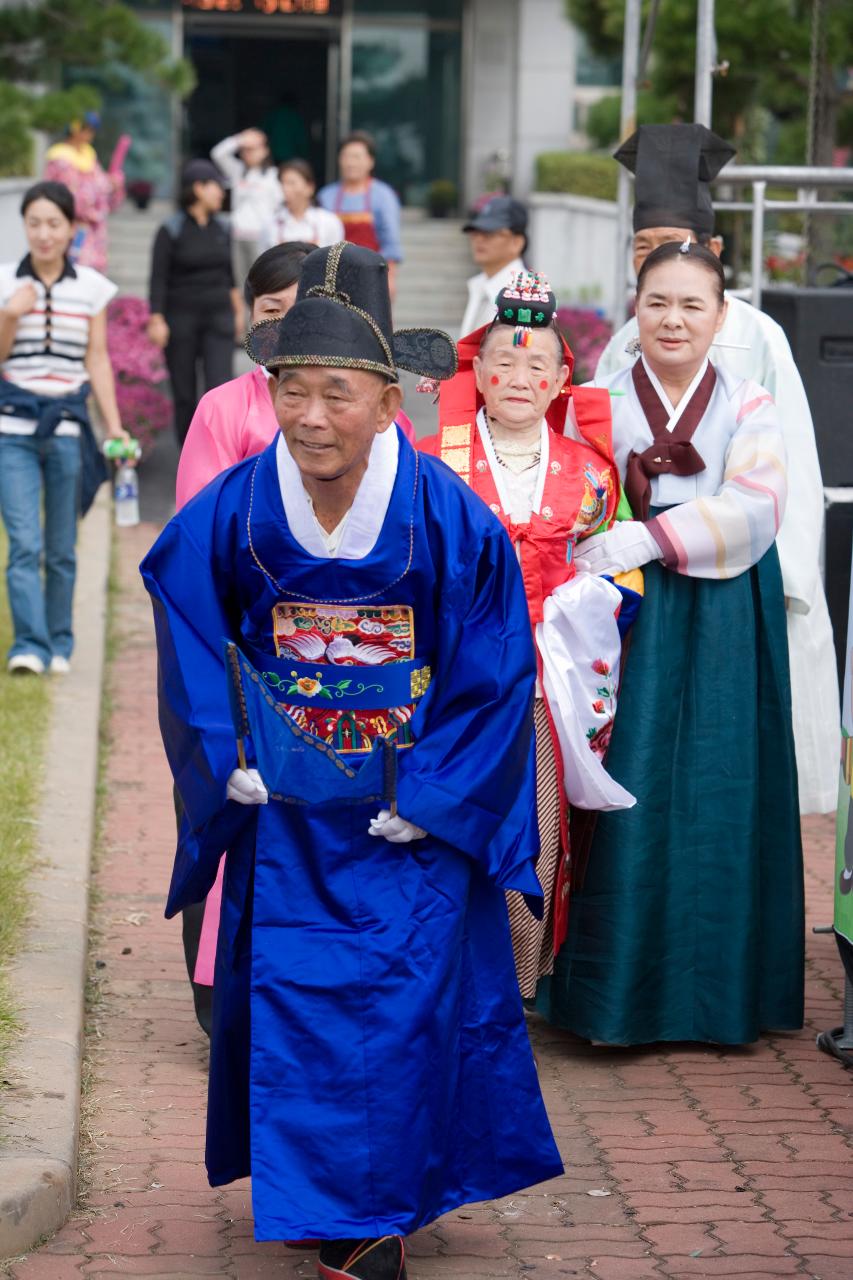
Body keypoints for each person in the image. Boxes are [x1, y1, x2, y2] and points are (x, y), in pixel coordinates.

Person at [140, 241, 562, 1276]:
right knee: (305, 1004)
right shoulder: (237, 506)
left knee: (407, 1005)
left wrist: (441, 792)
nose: (312, 417)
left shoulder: (444, 515)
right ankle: (350, 1217)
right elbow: (190, 620)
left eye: (338, 392)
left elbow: (494, 664)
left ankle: (381, 1193)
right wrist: (223, 748)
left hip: (405, 811)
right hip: (286, 812)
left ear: (387, 399)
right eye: (292, 389)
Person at [537, 239, 804, 1046]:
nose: (674, 319)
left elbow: (758, 502)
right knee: (622, 775)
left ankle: (717, 994)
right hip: (621, 614)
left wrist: (649, 537)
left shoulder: (749, 401)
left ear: (721, 316)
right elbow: (566, 486)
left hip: (722, 611)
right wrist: (604, 546)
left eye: (693, 304)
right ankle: (607, 993)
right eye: (658, 302)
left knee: (720, 786)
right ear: (634, 309)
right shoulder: (595, 398)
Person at [595, 123, 839, 815]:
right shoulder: (621, 342)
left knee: (723, 752)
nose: (663, 262)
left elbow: (788, 451)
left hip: (733, 564)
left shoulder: (758, 335)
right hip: (636, 578)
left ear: (714, 253)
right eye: (644, 250)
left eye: (680, 247)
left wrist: (787, 576)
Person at [420, 272, 634, 999]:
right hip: (447, 683)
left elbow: (616, 583)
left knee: (534, 831)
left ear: (559, 380)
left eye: (536, 364)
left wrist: (590, 604)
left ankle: (512, 985)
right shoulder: (426, 460)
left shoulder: (593, 477)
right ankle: (436, 982)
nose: (518, 376)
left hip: (542, 684)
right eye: (503, 362)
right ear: (475, 372)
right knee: (440, 821)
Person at [0, 181, 129, 675]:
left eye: (54, 223)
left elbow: (97, 358)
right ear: (25, 227)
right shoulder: (7, 284)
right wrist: (11, 315)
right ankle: (28, 645)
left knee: (60, 546)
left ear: (73, 229)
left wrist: (114, 425)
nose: (44, 233)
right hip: (12, 426)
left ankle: (59, 642)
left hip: (68, 427)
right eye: (34, 223)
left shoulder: (91, 287)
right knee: (23, 542)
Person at [147, 159, 242, 445]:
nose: (221, 194)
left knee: (221, 388)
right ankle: (189, 455)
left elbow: (230, 274)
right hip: (181, 319)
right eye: (216, 187)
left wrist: (238, 312)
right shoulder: (171, 229)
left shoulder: (223, 228)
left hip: (218, 316)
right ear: (199, 188)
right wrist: (157, 318)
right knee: (184, 393)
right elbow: (158, 278)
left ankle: (221, 454)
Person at [318, 133, 402, 298]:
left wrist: (390, 278)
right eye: (346, 157)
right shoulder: (326, 195)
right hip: (331, 280)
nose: (350, 163)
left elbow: (390, 241)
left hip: (371, 277)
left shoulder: (383, 196)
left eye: (356, 157)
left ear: (371, 161)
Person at [43, 111, 125, 273]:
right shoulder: (60, 160)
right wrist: (103, 186)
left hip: (94, 239)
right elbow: (75, 201)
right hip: (70, 234)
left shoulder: (89, 157)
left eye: (92, 130)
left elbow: (107, 199)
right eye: (86, 129)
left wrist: (115, 185)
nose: (89, 135)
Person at [210, 129, 281, 289]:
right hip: (237, 235)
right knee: (241, 283)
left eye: (253, 149)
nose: (248, 153)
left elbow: (279, 207)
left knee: (262, 282)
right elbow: (217, 154)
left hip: (261, 238)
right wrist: (240, 139)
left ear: (265, 151)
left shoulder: (273, 176)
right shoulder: (238, 171)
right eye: (245, 150)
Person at [459, 196, 528, 337]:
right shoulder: (480, 285)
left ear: (517, 242)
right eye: (475, 233)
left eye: (489, 233)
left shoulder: (524, 294)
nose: (479, 239)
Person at [260, 159, 344, 252]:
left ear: (310, 187)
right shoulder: (271, 223)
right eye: (282, 183)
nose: (285, 188)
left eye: (291, 183)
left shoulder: (329, 222)